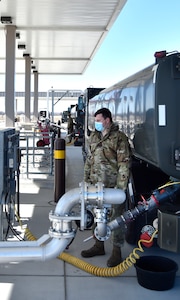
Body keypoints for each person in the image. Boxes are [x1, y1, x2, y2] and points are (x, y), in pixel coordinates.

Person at [81, 107, 131, 267]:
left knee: (116, 219)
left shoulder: (119, 138)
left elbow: (124, 164)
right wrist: (85, 181)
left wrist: (120, 188)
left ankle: (117, 252)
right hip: (96, 187)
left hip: (112, 187)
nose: (96, 124)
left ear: (107, 120)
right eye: (95, 121)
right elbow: (89, 160)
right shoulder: (94, 137)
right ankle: (98, 246)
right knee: (97, 216)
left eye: (98, 120)